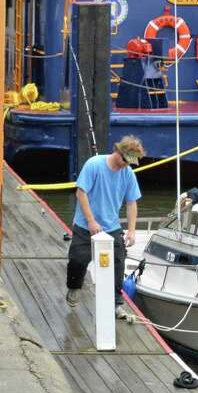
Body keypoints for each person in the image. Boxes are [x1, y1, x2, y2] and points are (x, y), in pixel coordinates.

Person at [66, 136, 144, 321]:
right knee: (78, 260)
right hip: (85, 224)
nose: (126, 165)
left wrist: (131, 230)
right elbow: (81, 193)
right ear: (118, 151)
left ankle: (116, 303)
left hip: (112, 226)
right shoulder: (94, 164)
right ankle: (74, 287)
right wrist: (91, 221)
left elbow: (131, 203)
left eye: (130, 163)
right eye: (125, 160)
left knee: (118, 263)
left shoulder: (128, 174)